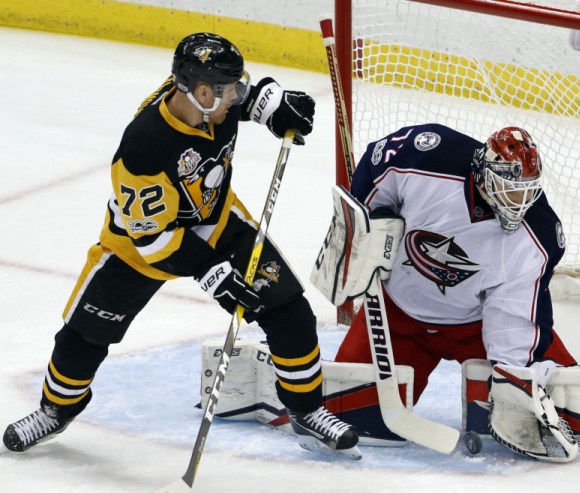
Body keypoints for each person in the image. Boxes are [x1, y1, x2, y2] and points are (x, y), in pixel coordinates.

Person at [3, 32, 360, 459]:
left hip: (218, 222)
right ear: (203, 91)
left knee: (289, 310)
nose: (236, 96)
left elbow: (253, 99)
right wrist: (214, 273)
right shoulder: (145, 145)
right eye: (229, 89)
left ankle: (305, 409)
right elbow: (153, 239)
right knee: (84, 335)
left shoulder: (208, 99)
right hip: (138, 246)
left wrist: (278, 105)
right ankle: (56, 409)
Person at [332, 122, 577, 458]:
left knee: (570, 407)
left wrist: (515, 381)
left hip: (473, 328)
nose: (517, 201)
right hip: (395, 318)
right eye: (508, 189)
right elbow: (375, 173)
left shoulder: (537, 236)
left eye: (525, 191)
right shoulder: (425, 156)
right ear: (484, 173)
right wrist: (368, 222)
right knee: (341, 413)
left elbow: (512, 318)